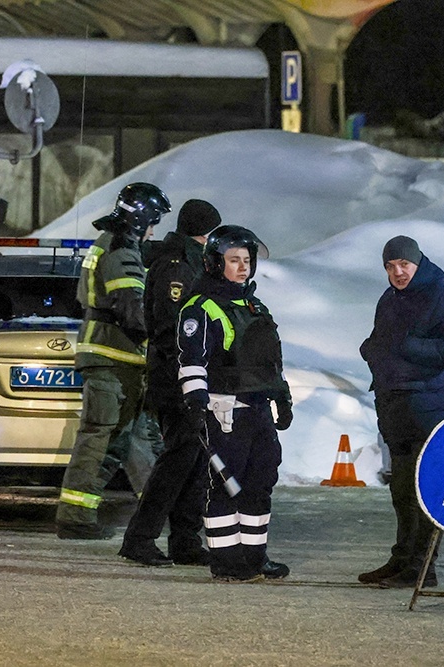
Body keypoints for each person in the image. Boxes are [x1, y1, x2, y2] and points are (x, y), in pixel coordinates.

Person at [176, 225, 293, 583]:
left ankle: (254, 558)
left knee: (259, 484)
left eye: (246, 260)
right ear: (214, 263)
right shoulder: (201, 308)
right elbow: (191, 359)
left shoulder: (254, 305)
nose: (242, 267)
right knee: (228, 487)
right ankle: (227, 561)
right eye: (233, 260)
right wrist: (196, 403)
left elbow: (270, 358)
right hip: (224, 410)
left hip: (258, 410)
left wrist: (282, 396)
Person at [55, 182, 171, 540]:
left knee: (123, 441)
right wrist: (162, 339)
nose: (154, 230)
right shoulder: (121, 249)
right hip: (112, 357)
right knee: (99, 437)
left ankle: (154, 514)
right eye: (153, 222)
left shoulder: (112, 242)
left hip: (113, 359)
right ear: (141, 219)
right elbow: (131, 308)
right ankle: (74, 518)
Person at [358, 235, 444, 588]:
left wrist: (408, 346)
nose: (397, 272)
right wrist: (371, 351)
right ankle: (402, 558)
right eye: (390, 267)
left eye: (403, 265)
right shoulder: (389, 299)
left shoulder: (440, 295)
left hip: (427, 407)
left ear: (417, 263)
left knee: (424, 490)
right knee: (401, 489)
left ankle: (423, 566)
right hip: (395, 406)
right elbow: (381, 340)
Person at [119, 199, 222, 567]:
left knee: (194, 462)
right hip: (174, 378)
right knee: (177, 461)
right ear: (204, 232)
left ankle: (185, 540)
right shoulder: (176, 265)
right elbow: (171, 324)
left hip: (186, 378)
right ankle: (140, 537)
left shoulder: (190, 261)